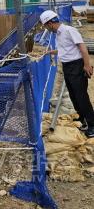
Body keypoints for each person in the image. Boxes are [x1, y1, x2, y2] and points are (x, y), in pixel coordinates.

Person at [40, 10, 94, 138]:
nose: (46, 29)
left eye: (46, 26)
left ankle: (92, 125)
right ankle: (82, 119)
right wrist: (49, 52)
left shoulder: (69, 30)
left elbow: (82, 47)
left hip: (76, 66)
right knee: (73, 95)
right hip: (67, 67)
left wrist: (87, 65)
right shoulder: (58, 34)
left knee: (81, 97)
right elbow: (64, 49)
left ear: (50, 23)